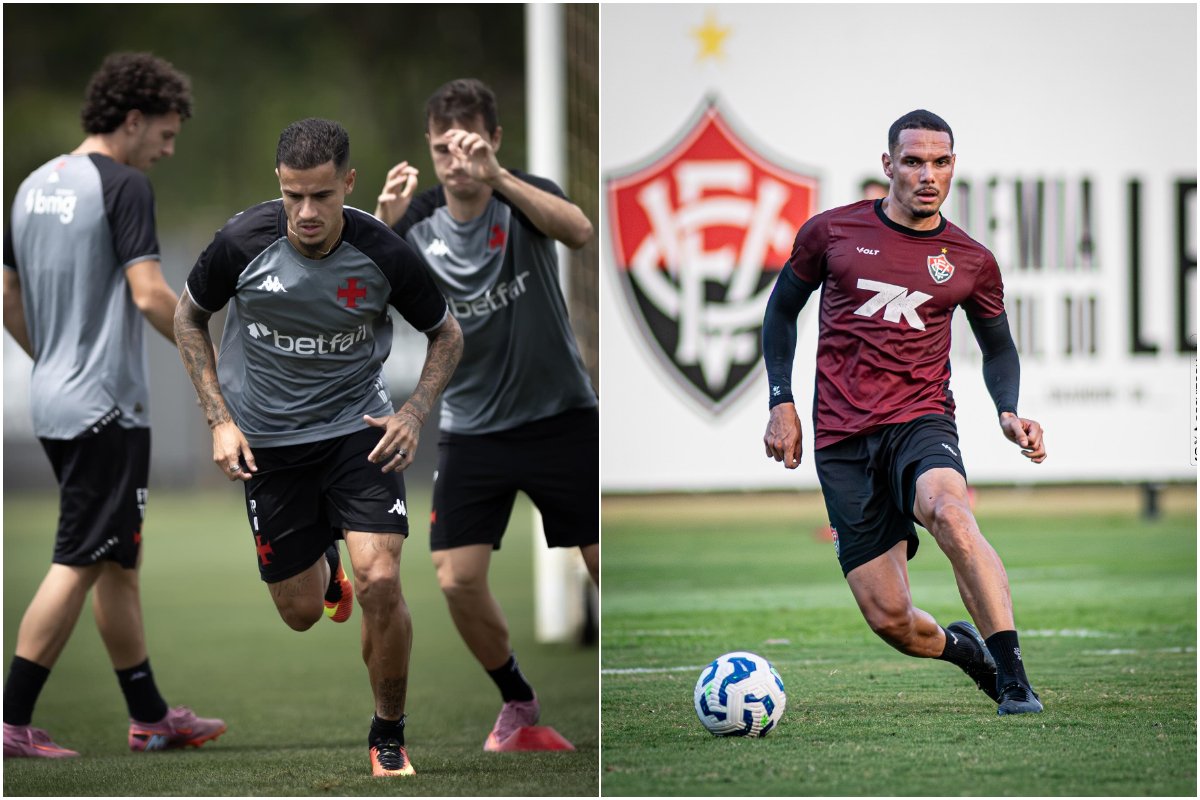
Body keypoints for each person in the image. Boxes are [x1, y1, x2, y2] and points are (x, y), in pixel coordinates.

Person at [174, 117, 462, 777]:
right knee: (302, 612)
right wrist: (218, 419)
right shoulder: (241, 242)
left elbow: (447, 334)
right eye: (293, 195)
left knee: (381, 580)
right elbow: (188, 316)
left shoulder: (382, 250)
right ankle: (327, 567)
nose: (306, 211)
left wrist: (415, 411)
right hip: (270, 446)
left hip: (358, 434)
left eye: (322, 196)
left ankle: (388, 734)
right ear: (279, 185)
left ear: (348, 184)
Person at [762, 109, 1046, 716]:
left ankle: (1015, 679)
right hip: (842, 440)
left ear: (953, 167)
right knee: (891, 619)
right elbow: (781, 310)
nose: (927, 175)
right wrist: (780, 399)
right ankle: (968, 653)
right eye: (913, 161)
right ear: (888, 164)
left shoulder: (970, 259)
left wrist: (1008, 410)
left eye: (940, 162)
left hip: (921, 421)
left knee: (952, 515)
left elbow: (999, 347)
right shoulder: (831, 233)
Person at [2, 52, 226, 759]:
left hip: (55, 398)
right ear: (133, 120)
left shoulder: (32, 185)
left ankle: (150, 717)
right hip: (106, 408)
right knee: (80, 558)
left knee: (116, 561)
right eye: (165, 134)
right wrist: (207, 350)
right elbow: (151, 294)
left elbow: (6, 296)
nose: (168, 149)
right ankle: (10, 721)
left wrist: (54, 360)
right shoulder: (123, 185)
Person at [373, 78, 598, 751]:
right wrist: (381, 224)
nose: (455, 161)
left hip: (560, 417)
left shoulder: (520, 197)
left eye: (468, 145)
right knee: (456, 578)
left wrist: (498, 176)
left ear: (494, 139)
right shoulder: (414, 220)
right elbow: (357, 295)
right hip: (472, 429)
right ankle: (519, 704)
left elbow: (579, 231)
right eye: (442, 149)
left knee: (602, 561)